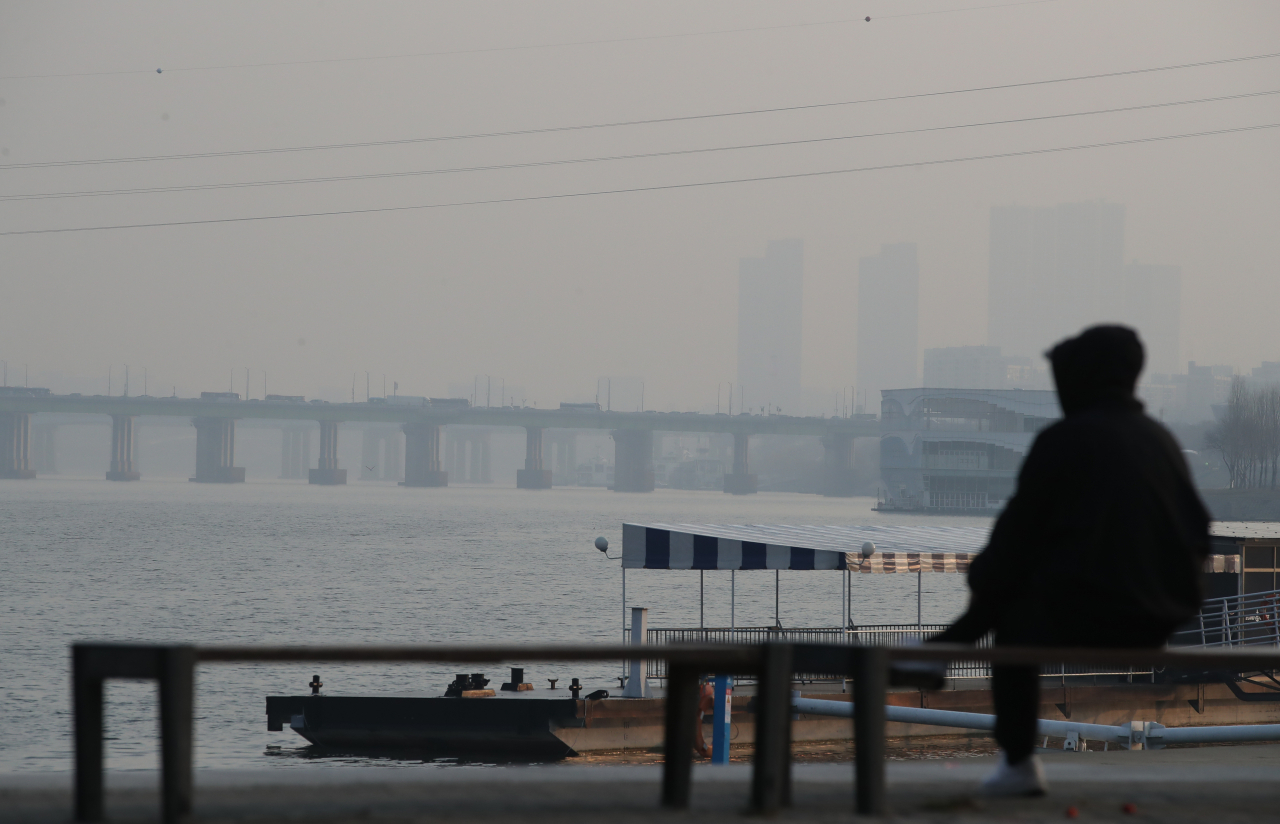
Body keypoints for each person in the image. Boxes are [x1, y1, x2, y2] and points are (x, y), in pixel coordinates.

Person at [931, 325, 1210, 796]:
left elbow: (1011, 543)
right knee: (1023, 582)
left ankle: (1015, 756)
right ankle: (946, 647)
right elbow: (1197, 533)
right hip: (1163, 617)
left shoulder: (1065, 440)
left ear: (1080, 380)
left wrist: (984, 579)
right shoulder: (1159, 441)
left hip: (1094, 616)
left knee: (1014, 611)